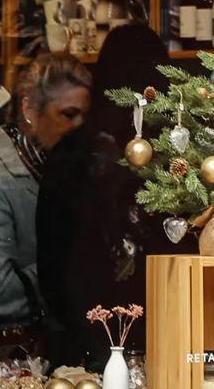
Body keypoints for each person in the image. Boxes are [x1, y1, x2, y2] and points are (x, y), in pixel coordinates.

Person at [37, 24, 169, 368]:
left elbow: (51, 260)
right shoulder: (179, 156)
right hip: (166, 330)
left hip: (84, 339)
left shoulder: (70, 152)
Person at [0, 52, 91, 360]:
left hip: (64, 357)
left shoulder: (74, 175)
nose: (79, 127)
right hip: (3, 367)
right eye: (68, 115)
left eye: (85, 117)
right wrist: (75, 270)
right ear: (29, 110)